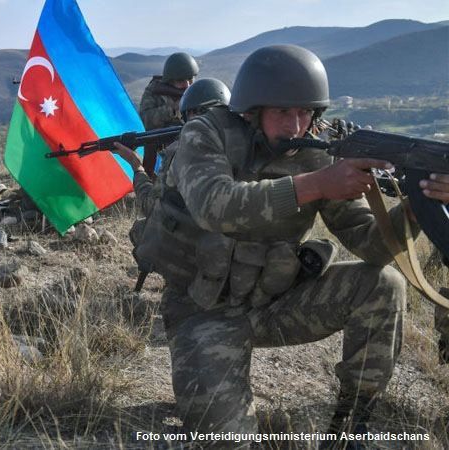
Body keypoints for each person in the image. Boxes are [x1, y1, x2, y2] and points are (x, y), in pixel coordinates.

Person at [154, 44, 449, 449]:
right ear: (252, 110)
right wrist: (316, 186)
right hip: (202, 310)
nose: (296, 126)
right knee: (227, 442)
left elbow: (370, 244)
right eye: (282, 112)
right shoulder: (206, 134)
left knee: (383, 284)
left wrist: (418, 206)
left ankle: (351, 426)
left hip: (275, 302)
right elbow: (213, 206)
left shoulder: (318, 150)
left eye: (306, 113)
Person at [117, 78, 231, 217]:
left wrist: (137, 166)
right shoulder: (245, 145)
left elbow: (151, 208)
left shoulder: (181, 153)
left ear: (189, 115)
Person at [138, 52, 198, 177]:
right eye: (181, 81)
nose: (187, 85)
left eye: (190, 79)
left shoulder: (196, 90)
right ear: (170, 81)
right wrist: (172, 109)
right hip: (166, 144)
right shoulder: (154, 91)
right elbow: (146, 119)